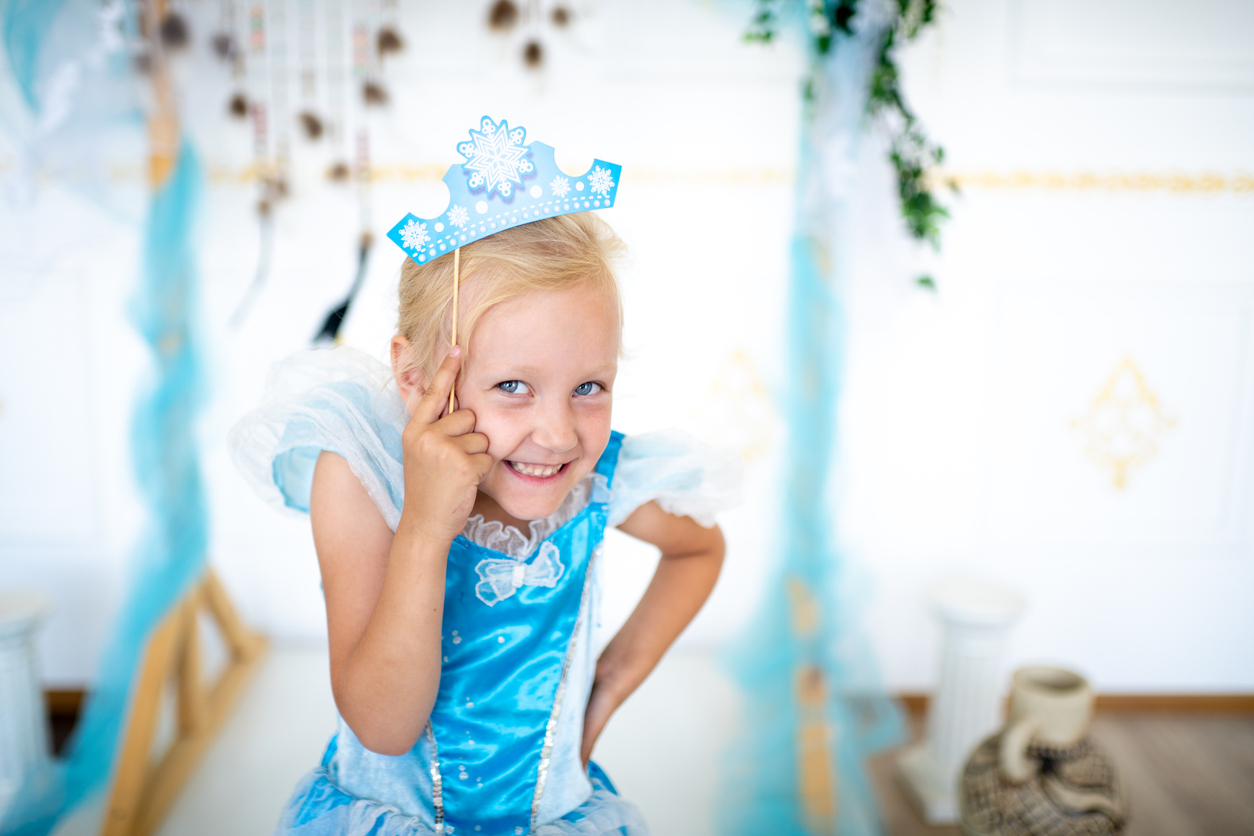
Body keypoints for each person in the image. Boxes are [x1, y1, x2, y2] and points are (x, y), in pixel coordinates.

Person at [230, 195, 740, 834]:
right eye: (512, 387)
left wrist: (606, 685)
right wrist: (424, 527)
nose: (556, 435)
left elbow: (699, 548)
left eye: (589, 387)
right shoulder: (363, 478)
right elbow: (384, 727)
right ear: (418, 379)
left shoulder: (599, 477)